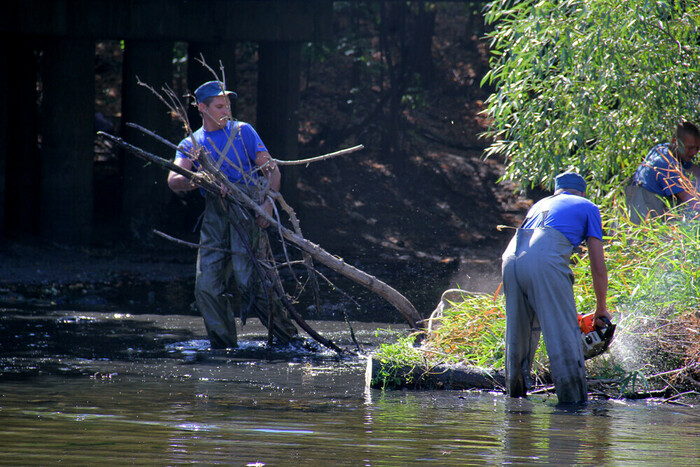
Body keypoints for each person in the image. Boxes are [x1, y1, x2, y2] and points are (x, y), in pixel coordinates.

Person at [167, 80, 298, 349]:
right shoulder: (192, 142)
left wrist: (267, 207)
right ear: (202, 108)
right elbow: (173, 180)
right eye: (218, 105)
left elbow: (272, 171)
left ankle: (288, 342)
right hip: (215, 219)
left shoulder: (243, 132)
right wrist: (196, 179)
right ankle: (223, 348)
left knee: (252, 281)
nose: (226, 109)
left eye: (227, 104)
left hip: (247, 214)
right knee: (206, 287)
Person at [501, 172, 612, 404]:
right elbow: (598, 266)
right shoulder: (587, 205)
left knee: (518, 336)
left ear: (557, 191)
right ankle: (573, 407)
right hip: (542, 259)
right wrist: (601, 308)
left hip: (510, 260)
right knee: (564, 336)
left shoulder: (539, 205)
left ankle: (514, 404)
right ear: (582, 192)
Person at [626, 121, 700, 223]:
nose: (694, 153)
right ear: (675, 142)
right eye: (690, 148)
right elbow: (692, 201)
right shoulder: (667, 164)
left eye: (697, 148)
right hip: (644, 210)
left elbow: (694, 170)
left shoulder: (665, 149)